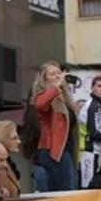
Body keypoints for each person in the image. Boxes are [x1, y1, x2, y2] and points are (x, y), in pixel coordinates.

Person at [32, 61, 79, 192]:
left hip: (66, 149)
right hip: (52, 150)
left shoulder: (63, 98)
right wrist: (57, 86)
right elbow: (40, 105)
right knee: (63, 191)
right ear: (44, 78)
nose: (58, 76)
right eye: (53, 74)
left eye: (59, 73)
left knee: (68, 189)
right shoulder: (42, 95)